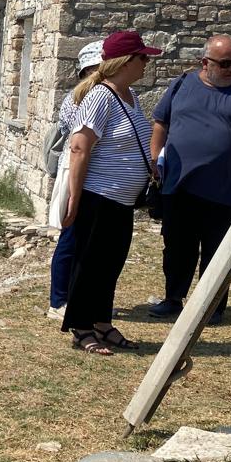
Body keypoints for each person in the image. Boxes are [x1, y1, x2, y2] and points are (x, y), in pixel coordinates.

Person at [61, 30, 162, 355]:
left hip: (121, 200)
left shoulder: (129, 96)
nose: (147, 63)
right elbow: (79, 147)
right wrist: (75, 197)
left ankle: (101, 322)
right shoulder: (101, 96)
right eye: (143, 57)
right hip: (98, 196)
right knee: (89, 263)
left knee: (109, 264)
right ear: (126, 61)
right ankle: (81, 327)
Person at [148, 33, 231, 324]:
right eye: (225, 63)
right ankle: (173, 299)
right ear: (205, 62)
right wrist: (155, 159)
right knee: (177, 247)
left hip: (225, 189)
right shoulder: (182, 84)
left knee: (217, 251)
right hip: (180, 185)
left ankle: (212, 307)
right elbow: (161, 122)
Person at [46, 39, 103, 320]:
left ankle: (80, 299)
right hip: (78, 174)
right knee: (71, 237)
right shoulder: (79, 98)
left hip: (98, 178)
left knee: (89, 242)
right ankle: (59, 301)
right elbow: (79, 141)